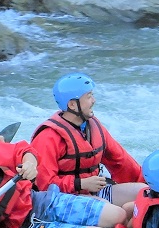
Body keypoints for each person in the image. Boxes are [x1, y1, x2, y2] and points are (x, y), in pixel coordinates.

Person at [30, 73, 145, 205]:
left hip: (92, 191)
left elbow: (121, 161)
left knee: (143, 192)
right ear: (72, 104)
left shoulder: (93, 125)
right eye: (89, 96)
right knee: (112, 211)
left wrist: (156, 187)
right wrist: (80, 184)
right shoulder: (48, 137)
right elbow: (43, 185)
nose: (93, 100)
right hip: (61, 200)